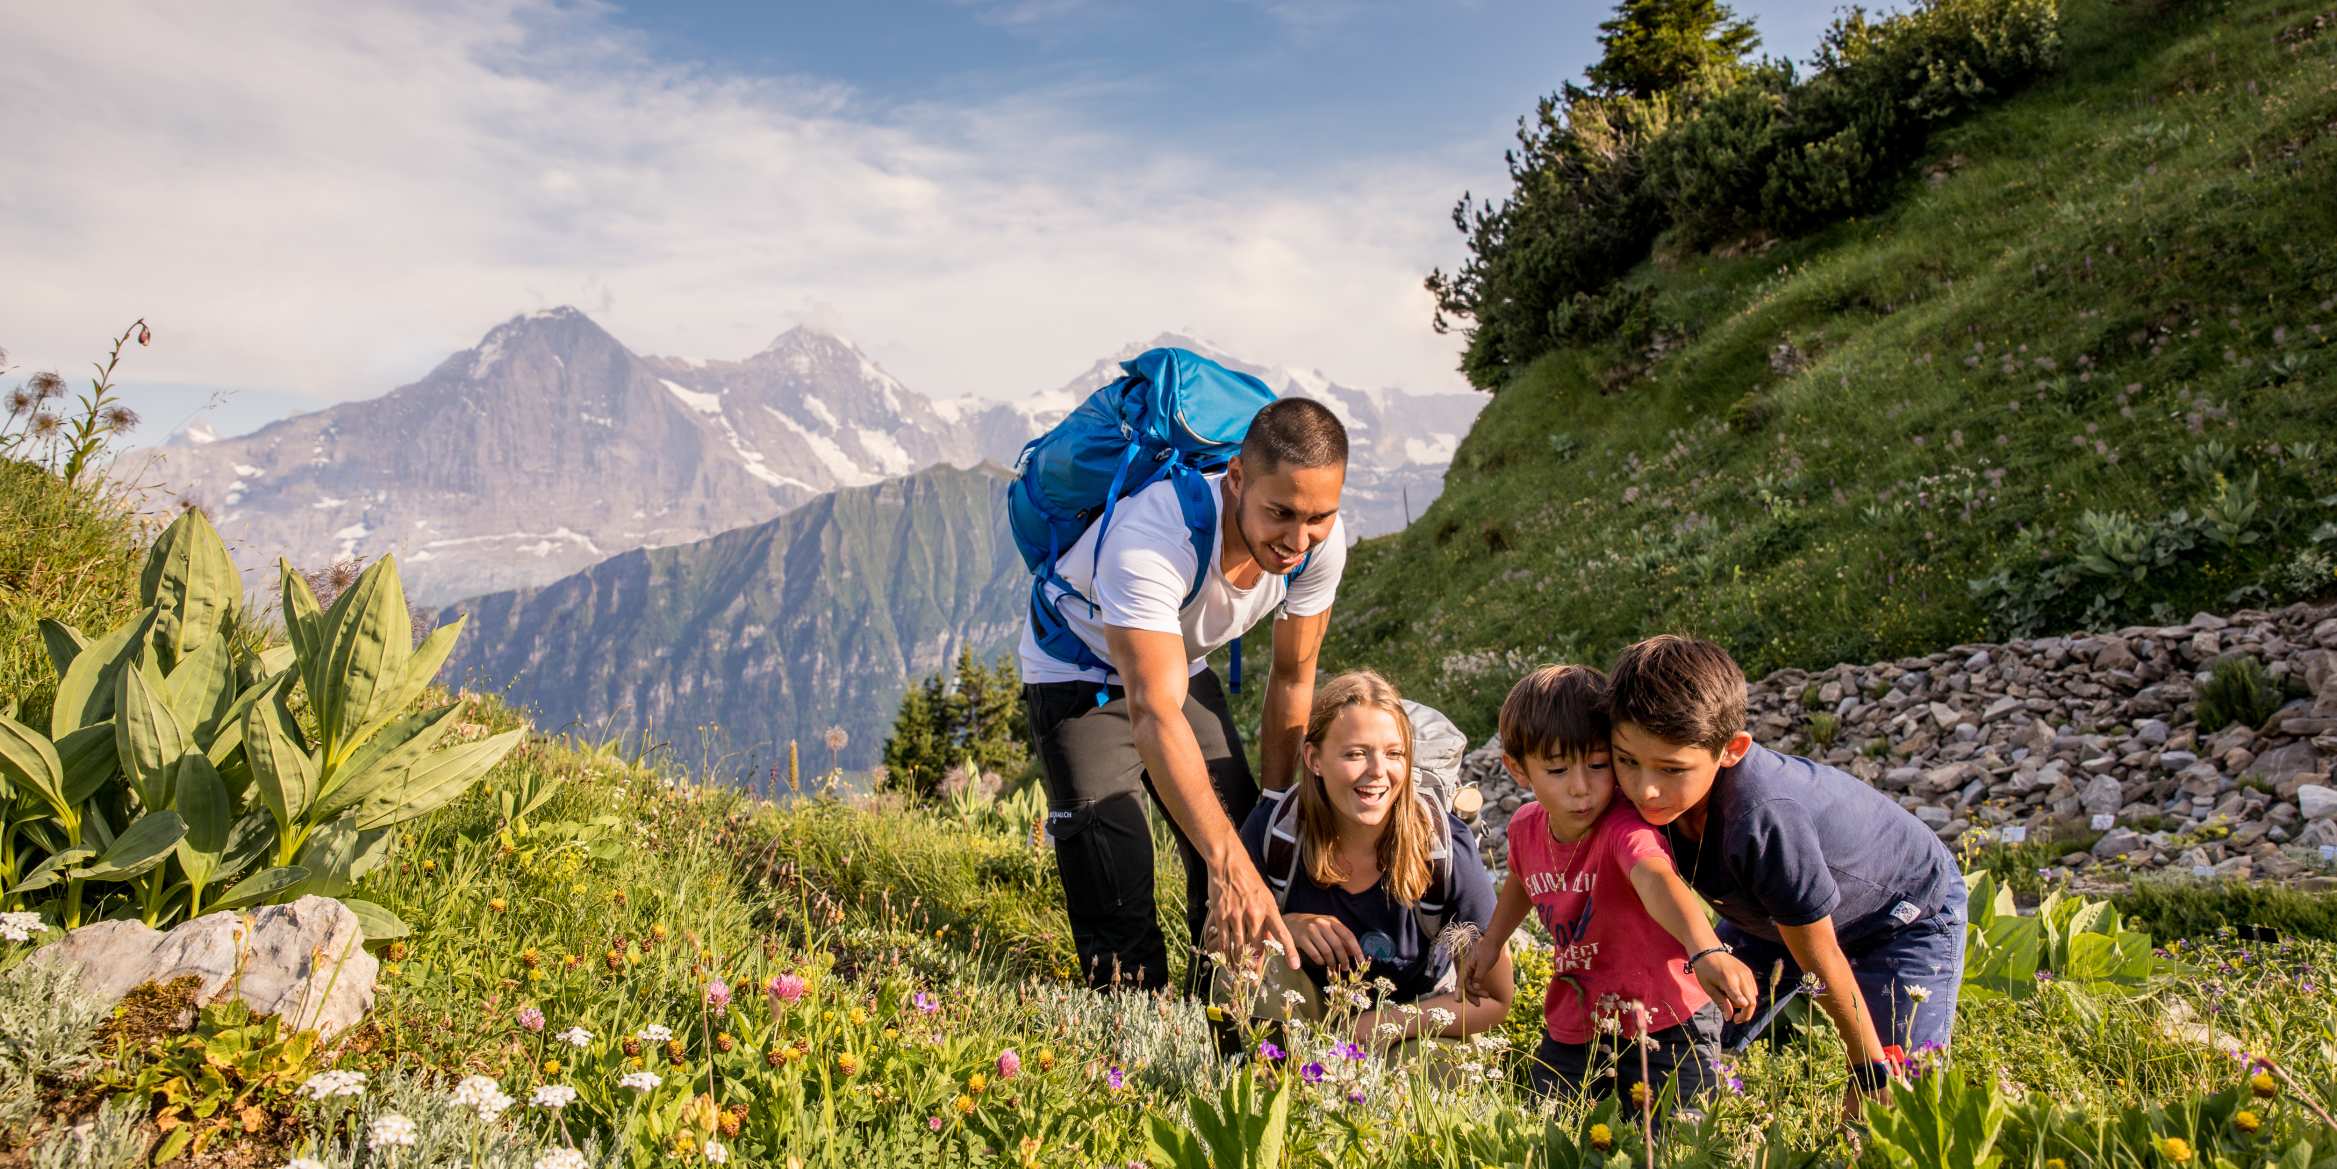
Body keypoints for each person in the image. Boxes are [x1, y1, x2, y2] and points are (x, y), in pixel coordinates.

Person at [1020, 398, 1350, 993]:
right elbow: (1154, 712)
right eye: (1280, 513)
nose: (1298, 539)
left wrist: (1274, 813)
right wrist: (1232, 865)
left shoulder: (1319, 545)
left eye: (1318, 516)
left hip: (1175, 660)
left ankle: (1219, 1012)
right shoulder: (1150, 539)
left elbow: (1294, 678)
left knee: (1243, 837)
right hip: (1078, 673)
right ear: (1238, 479)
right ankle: (1129, 1026)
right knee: (1115, 875)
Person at [1604, 635, 1967, 1117]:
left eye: (1671, 768)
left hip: (1902, 919)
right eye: (1627, 760)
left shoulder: (1763, 820)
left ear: (1731, 750)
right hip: (1772, 919)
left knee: (1892, 1097)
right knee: (1683, 1033)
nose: (1644, 788)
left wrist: (1868, 1069)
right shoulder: (1648, 795)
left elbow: (1820, 953)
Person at [1463, 665, 1757, 1112]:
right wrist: (1491, 942)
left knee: (1672, 1141)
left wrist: (1707, 950)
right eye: (1558, 769)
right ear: (1518, 769)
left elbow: (1655, 877)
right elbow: (1523, 879)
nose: (1582, 789)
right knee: (1551, 1129)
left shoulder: (1622, 825)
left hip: (1669, 1019)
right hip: (1579, 1016)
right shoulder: (1525, 827)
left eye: (1599, 765)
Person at [1229, 670, 1510, 1046]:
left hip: (1412, 1026)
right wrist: (1284, 928)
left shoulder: (1445, 847)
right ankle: (1265, 1095)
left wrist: (1382, 1024)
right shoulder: (1275, 832)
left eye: (1394, 754)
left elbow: (1492, 999)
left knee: (1432, 1081)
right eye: (1356, 754)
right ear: (1314, 758)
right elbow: (1221, 948)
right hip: (1306, 1018)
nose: (1379, 772)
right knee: (1251, 973)